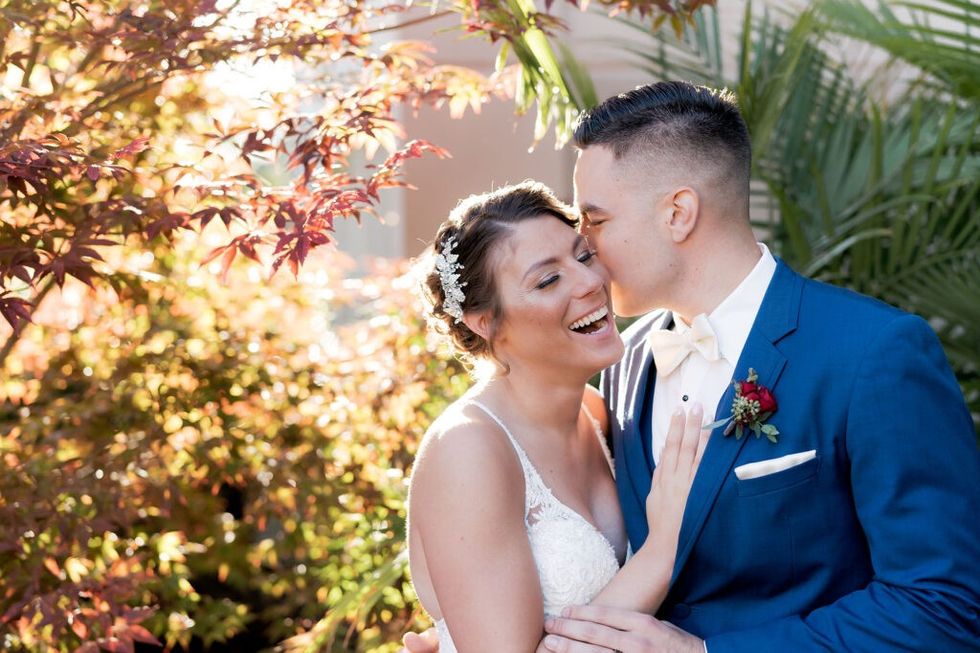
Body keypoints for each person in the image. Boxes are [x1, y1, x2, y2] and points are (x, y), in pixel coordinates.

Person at [405, 82, 980, 652]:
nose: (589, 254)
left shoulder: (874, 353)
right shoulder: (626, 366)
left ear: (678, 214)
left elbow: (944, 605)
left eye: (595, 224)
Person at [407, 180, 711, 652]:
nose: (590, 282)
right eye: (548, 280)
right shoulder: (467, 450)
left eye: (584, 256)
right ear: (484, 322)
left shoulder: (599, 412)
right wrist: (661, 551)